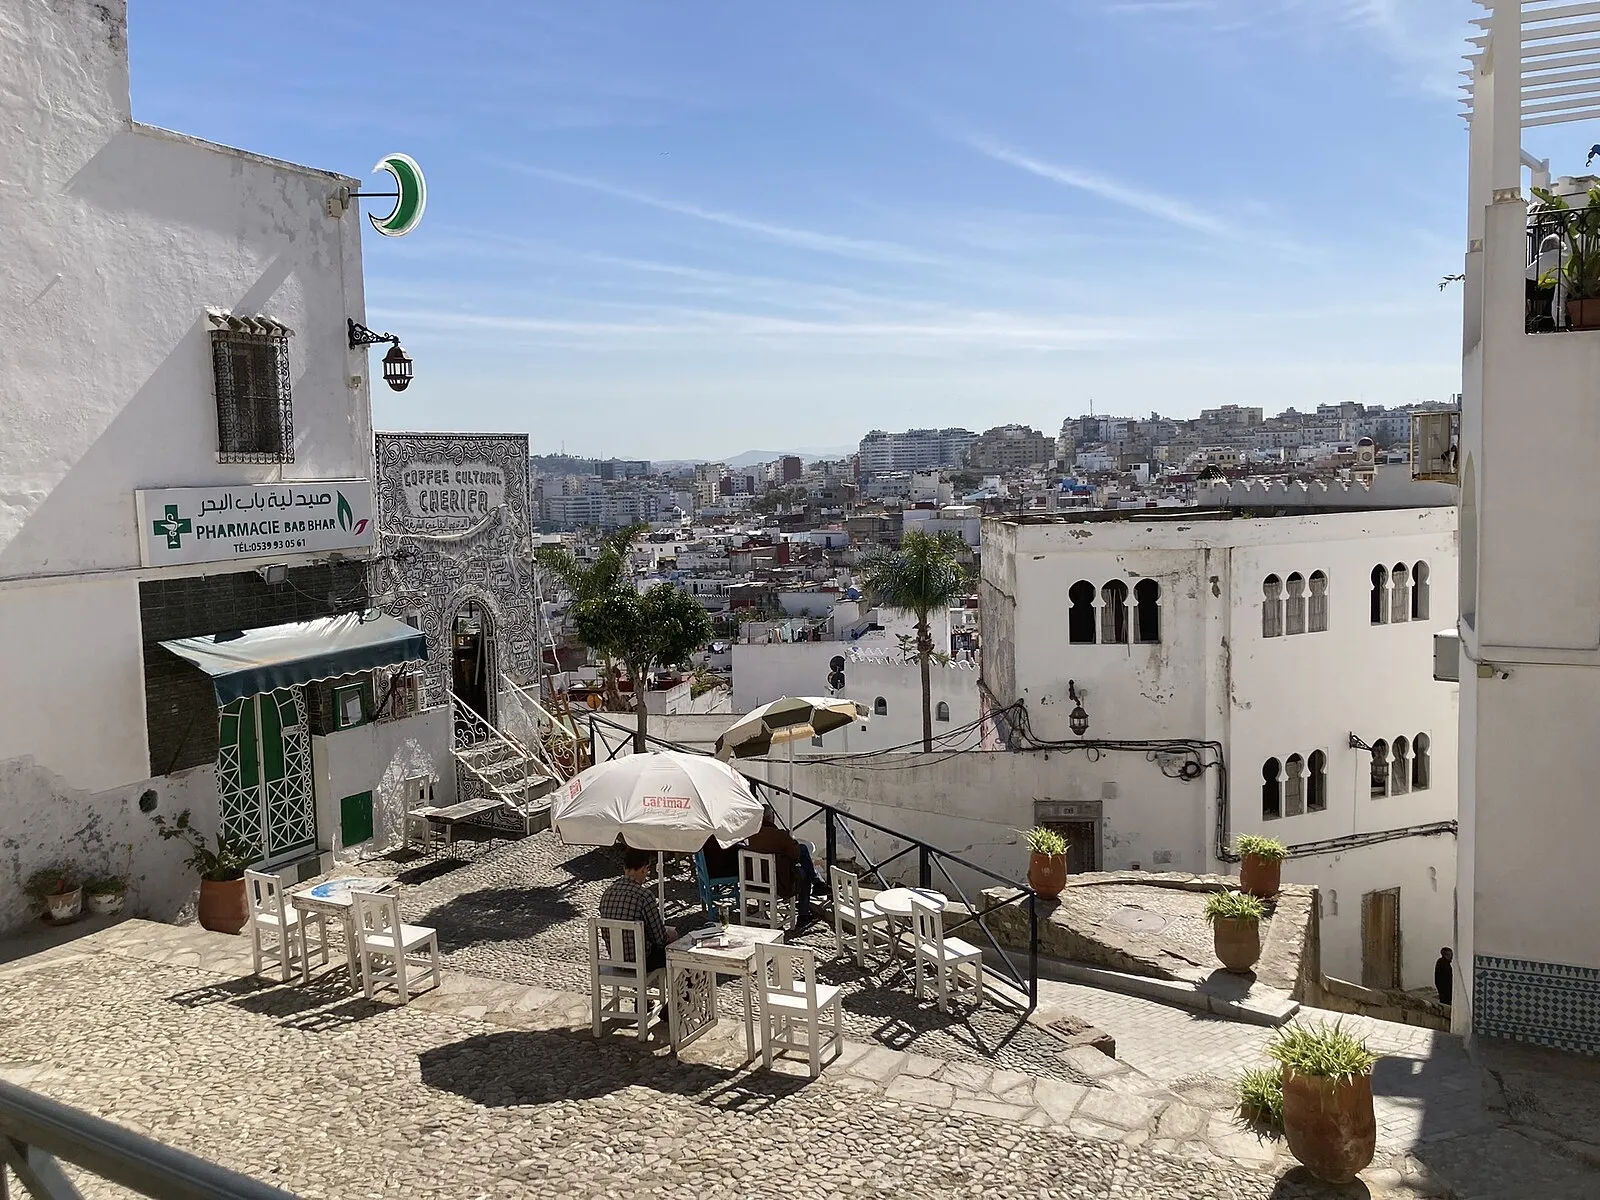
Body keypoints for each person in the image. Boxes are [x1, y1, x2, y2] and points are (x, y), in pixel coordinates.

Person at [597, 847, 678, 973]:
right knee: (677, 946)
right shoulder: (644, 896)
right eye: (647, 870)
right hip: (641, 961)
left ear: (625, 868)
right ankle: (684, 991)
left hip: (616, 959)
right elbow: (660, 939)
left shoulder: (607, 893)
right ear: (643, 869)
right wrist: (672, 934)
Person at [745, 807, 827, 925]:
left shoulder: (751, 834)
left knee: (803, 867)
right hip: (778, 882)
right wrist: (788, 839)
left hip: (753, 882)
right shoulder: (778, 835)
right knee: (803, 872)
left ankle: (816, 881)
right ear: (771, 818)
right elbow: (795, 854)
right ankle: (805, 912)